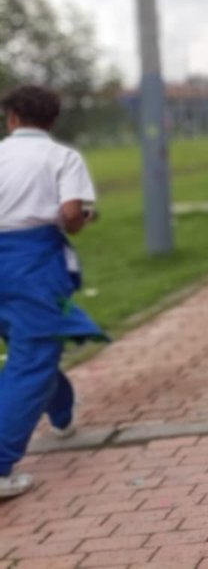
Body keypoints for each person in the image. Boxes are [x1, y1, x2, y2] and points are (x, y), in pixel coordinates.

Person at [0, 86, 106, 500]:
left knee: (30, 344)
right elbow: (69, 215)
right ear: (52, 120)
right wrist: (82, 219)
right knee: (33, 357)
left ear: (11, 118)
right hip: (33, 264)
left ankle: (60, 415)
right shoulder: (62, 158)